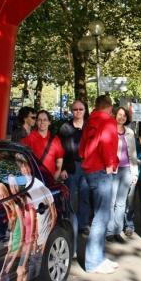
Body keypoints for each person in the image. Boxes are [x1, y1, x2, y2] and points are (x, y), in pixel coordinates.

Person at [78, 95, 119, 274]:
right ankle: (94, 261)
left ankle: (99, 257)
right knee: (101, 218)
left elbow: (81, 149)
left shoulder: (89, 122)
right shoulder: (108, 121)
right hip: (102, 171)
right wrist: (111, 165)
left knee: (98, 216)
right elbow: (108, 144)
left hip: (88, 170)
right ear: (109, 108)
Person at [107, 107, 139, 243]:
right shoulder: (109, 131)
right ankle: (109, 231)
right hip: (112, 170)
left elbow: (133, 155)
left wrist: (134, 173)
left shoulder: (130, 133)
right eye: (119, 115)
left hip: (126, 170)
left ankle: (117, 231)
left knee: (121, 203)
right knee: (111, 202)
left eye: (124, 115)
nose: (122, 117)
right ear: (114, 115)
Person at [58, 100, 89, 235]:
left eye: (80, 109)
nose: (78, 112)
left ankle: (83, 224)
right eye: (75, 109)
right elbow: (60, 150)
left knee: (85, 196)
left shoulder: (89, 127)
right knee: (69, 196)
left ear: (84, 111)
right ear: (72, 111)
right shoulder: (65, 128)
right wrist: (62, 168)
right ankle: (69, 223)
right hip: (71, 166)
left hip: (87, 166)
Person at [21, 110, 64, 180]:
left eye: (45, 120)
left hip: (50, 179)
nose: (42, 122)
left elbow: (59, 162)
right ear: (36, 122)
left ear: (49, 122)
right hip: (34, 179)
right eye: (39, 120)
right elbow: (19, 156)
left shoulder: (55, 140)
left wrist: (54, 180)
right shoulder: (29, 138)